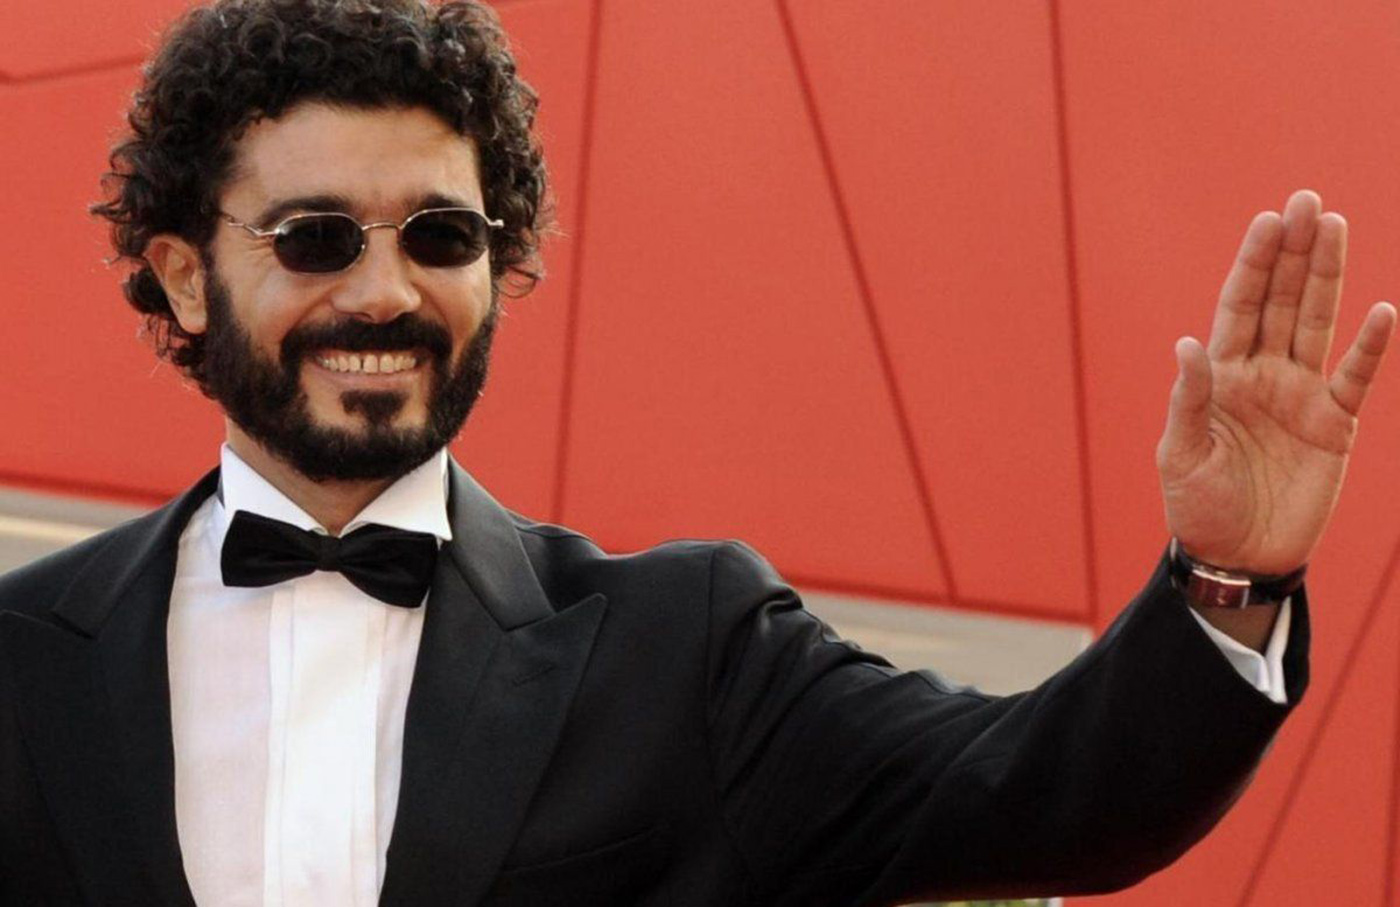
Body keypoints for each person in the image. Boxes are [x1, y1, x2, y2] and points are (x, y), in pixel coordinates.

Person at [0, 1, 1393, 905]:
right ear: (182, 278)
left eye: (440, 236)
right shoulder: (21, 667)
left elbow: (1038, 793)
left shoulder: (687, 652)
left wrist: (1226, 575)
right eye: (315, 238)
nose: (384, 293)